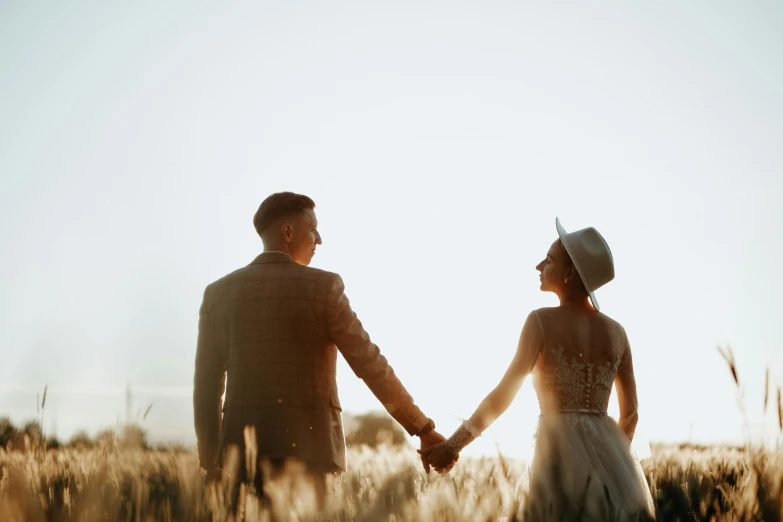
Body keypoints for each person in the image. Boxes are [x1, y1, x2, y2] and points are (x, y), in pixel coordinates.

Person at [193, 192, 454, 510]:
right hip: (313, 454)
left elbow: (206, 386)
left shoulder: (218, 294)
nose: (320, 239)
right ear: (287, 232)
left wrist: (211, 461)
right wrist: (422, 428)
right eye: (313, 229)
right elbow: (369, 363)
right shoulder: (324, 287)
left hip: (239, 460)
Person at [421, 218, 655, 521]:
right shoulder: (618, 333)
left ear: (570, 272)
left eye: (548, 259)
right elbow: (631, 413)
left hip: (555, 457)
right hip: (611, 463)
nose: (538, 266)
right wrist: (614, 464)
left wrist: (453, 445)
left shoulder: (540, 321)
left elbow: (504, 394)